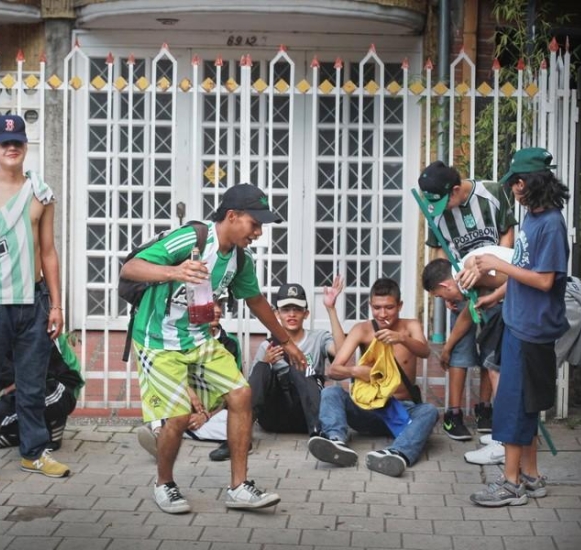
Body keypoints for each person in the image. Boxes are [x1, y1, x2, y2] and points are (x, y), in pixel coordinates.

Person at [120, 183, 307, 514]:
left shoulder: (239, 257)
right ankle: (164, 484)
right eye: (255, 224)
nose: (259, 233)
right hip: (157, 341)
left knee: (241, 394)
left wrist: (286, 341)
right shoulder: (193, 238)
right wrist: (174, 271)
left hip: (199, 338)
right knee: (177, 417)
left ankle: (239, 488)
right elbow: (130, 268)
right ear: (232, 216)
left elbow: (257, 301)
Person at [0, 114, 69, 489]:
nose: (11, 147)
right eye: (4, 142)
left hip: (33, 302)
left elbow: (49, 251)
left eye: (18, 142)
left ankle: (34, 452)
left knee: (33, 384)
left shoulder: (40, 193)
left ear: (25, 147)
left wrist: (56, 304)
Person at [467, 147, 569, 506]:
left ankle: (510, 484)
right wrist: (494, 296)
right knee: (523, 404)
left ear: (532, 183)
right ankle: (531, 475)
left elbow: (543, 281)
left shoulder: (551, 225)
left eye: (517, 182)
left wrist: (498, 262)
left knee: (513, 407)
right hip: (517, 322)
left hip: (532, 331)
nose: (513, 189)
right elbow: (524, 273)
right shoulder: (532, 218)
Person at [418, 161, 517, 440]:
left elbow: (507, 231)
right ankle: (454, 413)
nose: (439, 211)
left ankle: (485, 409)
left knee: (491, 349)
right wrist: (448, 289)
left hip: (495, 282)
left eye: (443, 203)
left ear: (457, 189)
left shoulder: (493, 193)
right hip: (459, 285)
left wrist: (497, 264)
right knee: (460, 349)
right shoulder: (435, 209)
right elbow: (438, 249)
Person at [308, 278, 437, 477]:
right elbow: (334, 370)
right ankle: (336, 442)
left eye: (389, 307)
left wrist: (402, 338)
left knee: (429, 411)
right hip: (366, 409)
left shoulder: (410, 326)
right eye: (377, 308)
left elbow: (425, 352)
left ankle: (397, 453)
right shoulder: (363, 329)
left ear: (400, 305)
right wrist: (356, 372)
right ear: (370, 306)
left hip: (401, 411)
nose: (383, 314)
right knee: (331, 392)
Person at [422, 248, 512, 466]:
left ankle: (505, 440)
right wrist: (447, 348)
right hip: (520, 302)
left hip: (536, 301)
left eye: (441, 296)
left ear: (445, 285)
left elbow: (515, 279)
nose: (446, 301)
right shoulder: (463, 274)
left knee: (494, 369)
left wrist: (492, 297)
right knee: (494, 366)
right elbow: (466, 315)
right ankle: (506, 435)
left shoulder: (468, 273)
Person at [135, 296, 243, 461]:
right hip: (179, 405)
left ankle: (169, 434)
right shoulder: (177, 338)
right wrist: (189, 391)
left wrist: (206, 415)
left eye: (220, 304)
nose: (218, 310)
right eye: (211, 304)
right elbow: (167, 374)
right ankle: (162, 434)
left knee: (240, 424)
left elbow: (232, 393)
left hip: (210, 414)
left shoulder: (231, 343)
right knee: (163, 397)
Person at [247, 278, 345, 443]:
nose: (291, 315)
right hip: (274, 418)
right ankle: (243, 430)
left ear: (305, 314)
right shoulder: (268, 345)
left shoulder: (318, 338)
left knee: (298, 365)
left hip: (307, 415)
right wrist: (266, 362)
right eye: (286, 310)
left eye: (297, 309)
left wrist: (331, 309)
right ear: (277, 314)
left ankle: (317, 435)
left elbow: (342, 352)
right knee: (262, 367)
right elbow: (253, 386)